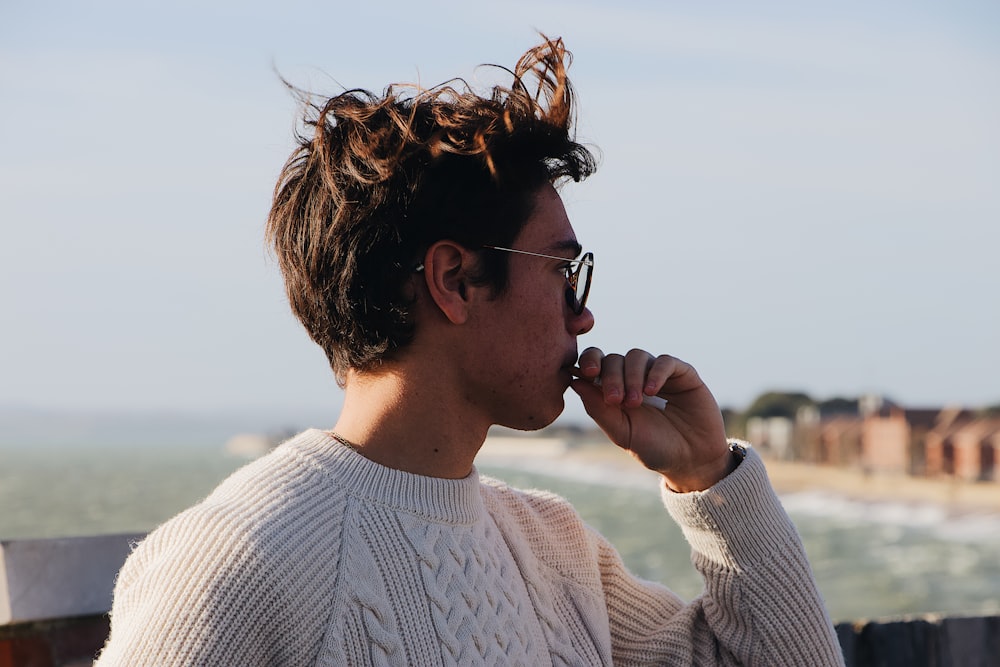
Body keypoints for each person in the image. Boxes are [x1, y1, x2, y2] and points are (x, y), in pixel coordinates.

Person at [96, 36, 845, 666]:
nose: (582, 317)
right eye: (563, 272)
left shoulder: (556, 548)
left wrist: (707, 474)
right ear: (454, 279)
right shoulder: (233, 562)